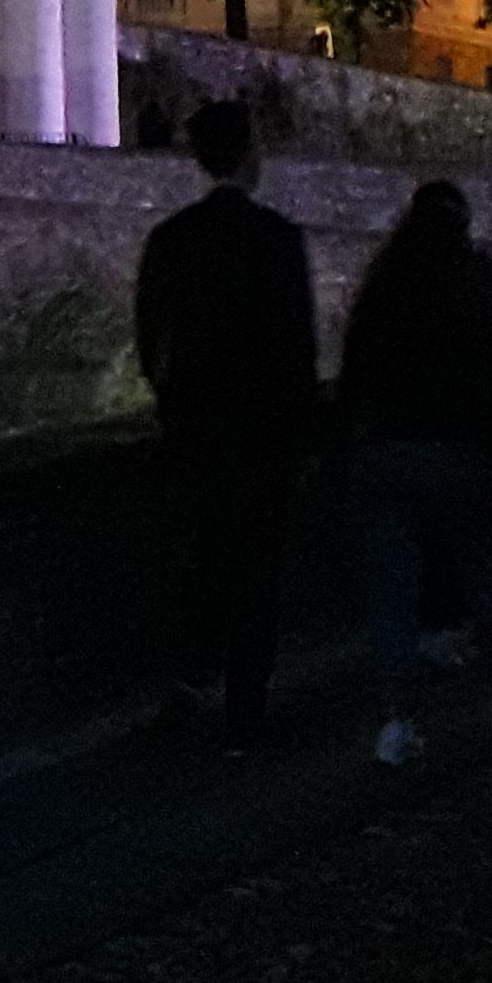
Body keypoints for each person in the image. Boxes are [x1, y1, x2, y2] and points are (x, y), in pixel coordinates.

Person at [337, 178, 492, 765]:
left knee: (393, 592)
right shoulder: (474, 280)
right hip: (456, 451)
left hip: (385, 451)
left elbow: (354, 371)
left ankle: (397, 722)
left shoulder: (384, 283)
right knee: (483, 576)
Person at [132, 100, 319, 752]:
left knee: (202, 560)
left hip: (197, 431)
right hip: (263, 433)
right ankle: (245, 709)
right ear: (246, 155)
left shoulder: (171, 239)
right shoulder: (278, 238)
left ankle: (192, 685)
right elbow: (299, 349)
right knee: (259, 572)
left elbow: (148, 336)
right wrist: (301, 433)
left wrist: (173, 402)